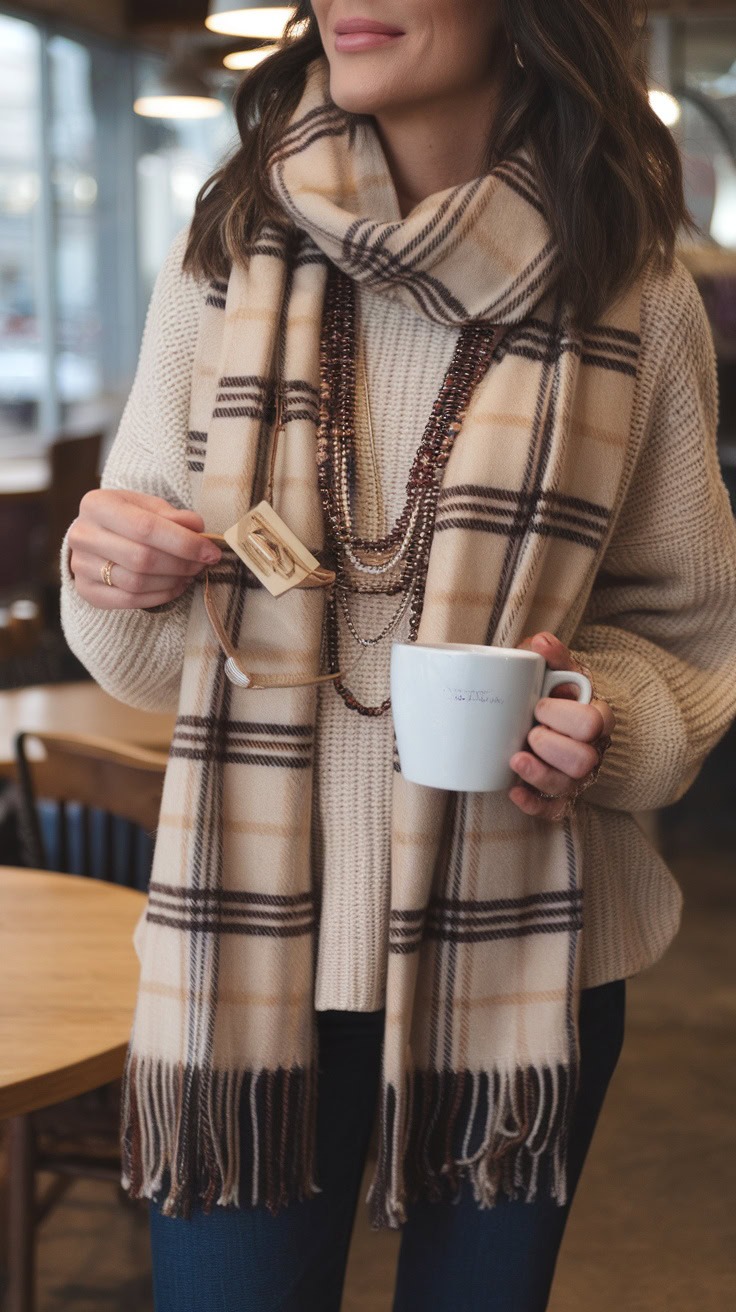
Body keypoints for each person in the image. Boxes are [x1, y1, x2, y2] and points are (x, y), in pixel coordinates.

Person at [60, 3, 736, 1309]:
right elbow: (148, 666)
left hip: (529, 949)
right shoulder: (223, 258)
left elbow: (688, 631)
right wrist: (114, 574)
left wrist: (602, 717)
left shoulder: (632, 288)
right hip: (246, 953)